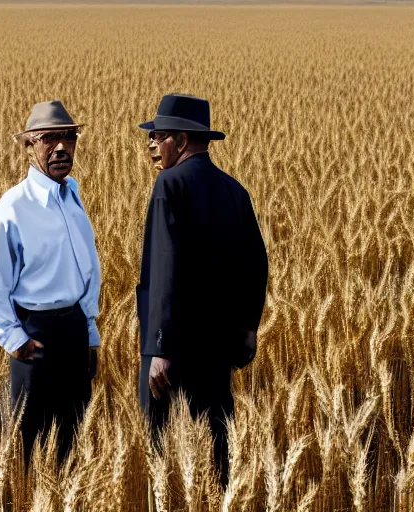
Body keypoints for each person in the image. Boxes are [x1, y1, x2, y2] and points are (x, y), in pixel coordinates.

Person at [136, 94, 268, 485]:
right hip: (217, 353)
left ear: (180, 138)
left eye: (157, 136)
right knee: (216, 455)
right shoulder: (235, 191)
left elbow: (164, 267)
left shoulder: (169, 185)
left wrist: (159, 346)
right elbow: (256, 265)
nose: (152, 146)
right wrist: (247, 327)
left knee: (163, 462)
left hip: (172, 354)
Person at [0, 100, 101, 466]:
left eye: (69, 137)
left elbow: (87, 271)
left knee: (73, 444)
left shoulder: (73, 198)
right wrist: (13, 339)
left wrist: (90, 333)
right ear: (29, 145)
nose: (62, 147)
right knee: (27, 448)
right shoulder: (13, 206)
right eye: (50, 138)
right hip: (36, 336)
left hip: (75, 334)